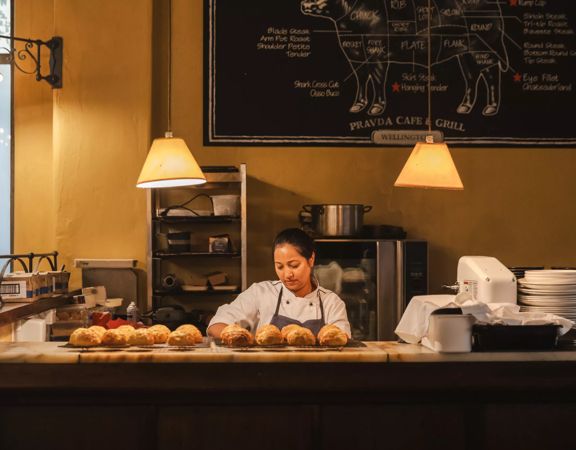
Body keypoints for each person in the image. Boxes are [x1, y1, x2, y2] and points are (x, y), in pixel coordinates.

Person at [207, 228, 351, 338]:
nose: (287, 274)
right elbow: (217, 325)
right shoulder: (261, 293)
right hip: (267, 374)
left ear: (311, 259)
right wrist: (243, 339)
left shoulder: (331, 303)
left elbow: (342, 341)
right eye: (280, 266)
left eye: (294, 265)